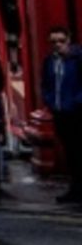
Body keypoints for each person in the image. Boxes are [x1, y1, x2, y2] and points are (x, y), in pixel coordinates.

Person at [43, 26, 82, 204]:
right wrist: (50, 102)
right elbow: (46, 84)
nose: (57, 45)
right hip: (60, 114)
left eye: (61, 41)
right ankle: (75, 190)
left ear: (69, 40)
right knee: (71, 154)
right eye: (53, 42)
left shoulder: (78, 58)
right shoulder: (49, 61)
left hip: (77, 113)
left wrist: (76, 102)